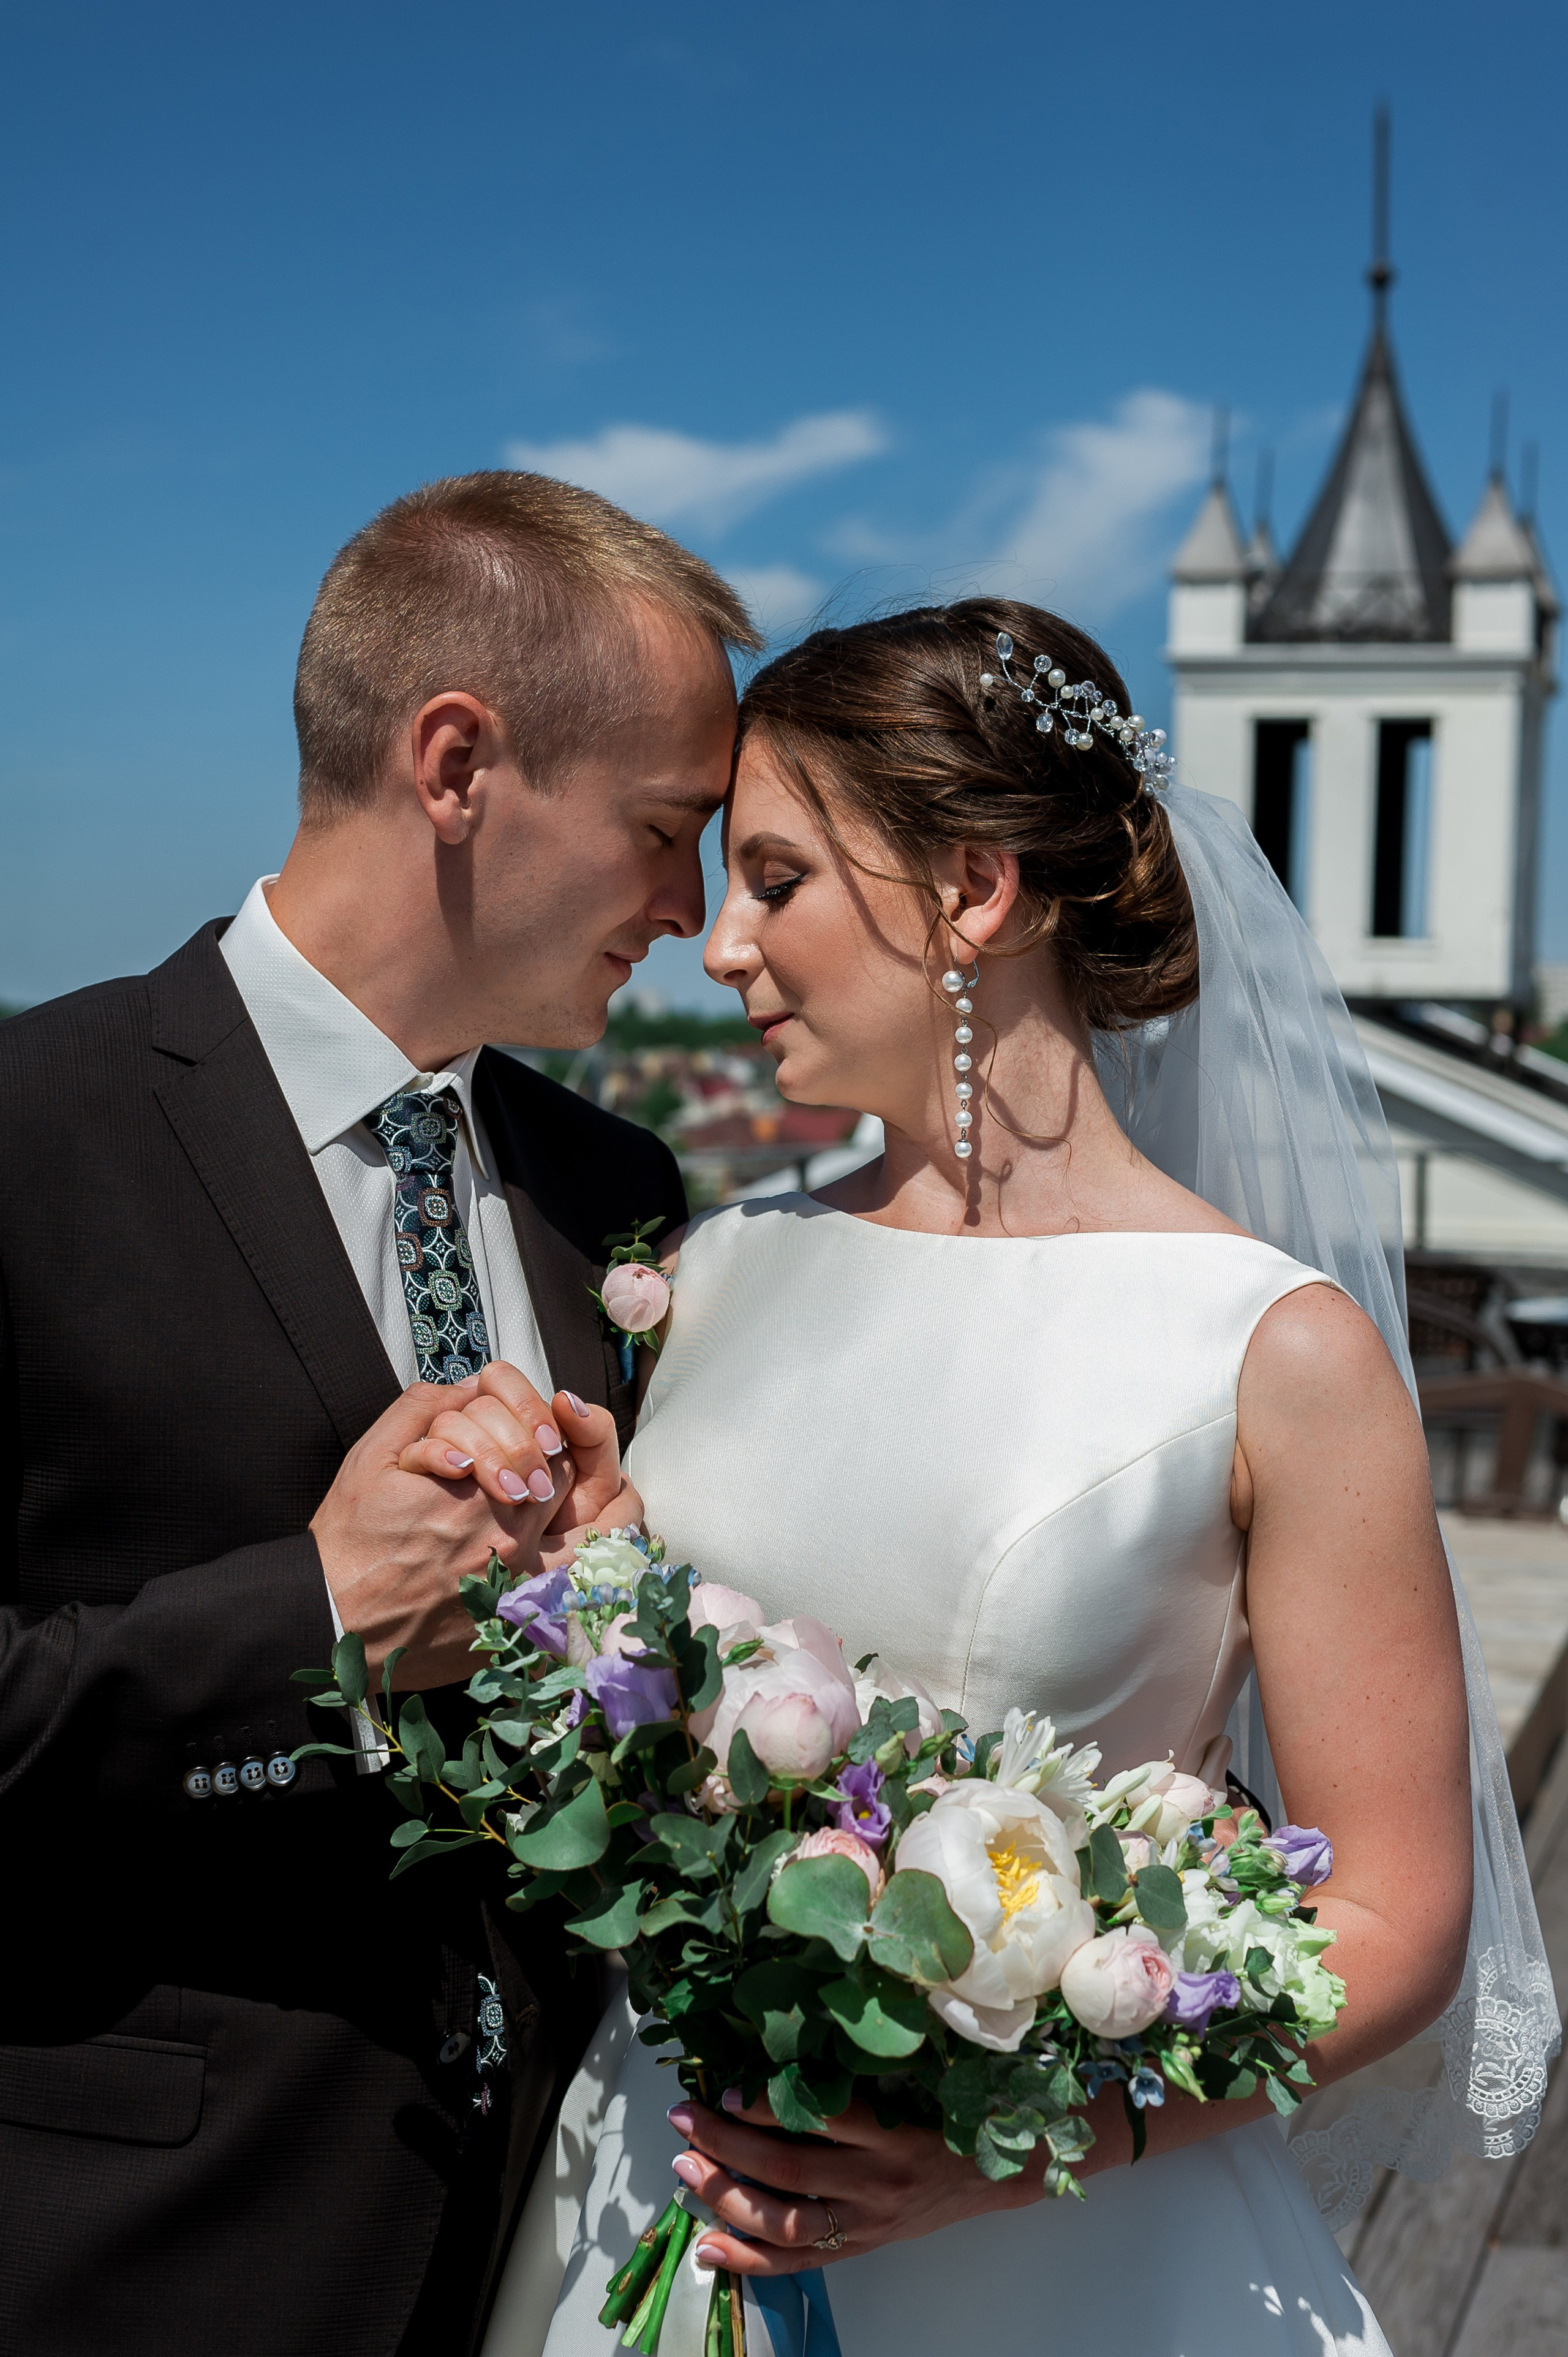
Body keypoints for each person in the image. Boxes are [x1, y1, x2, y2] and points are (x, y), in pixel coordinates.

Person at [509, 598, 1551, 2357]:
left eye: (778, 880)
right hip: (657, 2189)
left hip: (1064, 2252)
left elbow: (1396, 1910)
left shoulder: (1269, 1350)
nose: (722, 948)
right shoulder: (720, 1270)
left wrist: (991, 2154)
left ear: (973, 892)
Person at [0, 469, 760, 2357]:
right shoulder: (29, 1135)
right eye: (668, 831)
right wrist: (313, 1622)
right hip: (137, 2254)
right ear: (454, 764)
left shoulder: (616, 1187)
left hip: (556, 2247)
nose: (694, 910)